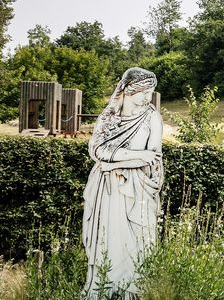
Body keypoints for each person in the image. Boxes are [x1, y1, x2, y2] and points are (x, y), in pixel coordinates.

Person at [83, 67, 163, 299]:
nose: (148, 97)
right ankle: (106, 290)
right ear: (129, 90)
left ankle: (133, 293)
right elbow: (98, 151)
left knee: (136, 241)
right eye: (144, 92)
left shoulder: (151, 118)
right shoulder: (108, 118)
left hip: (138, 188)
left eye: (151, 92)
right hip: (107, 190)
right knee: (108, 239)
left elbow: (153, 157)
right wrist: (130, 157)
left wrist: (113, 161)